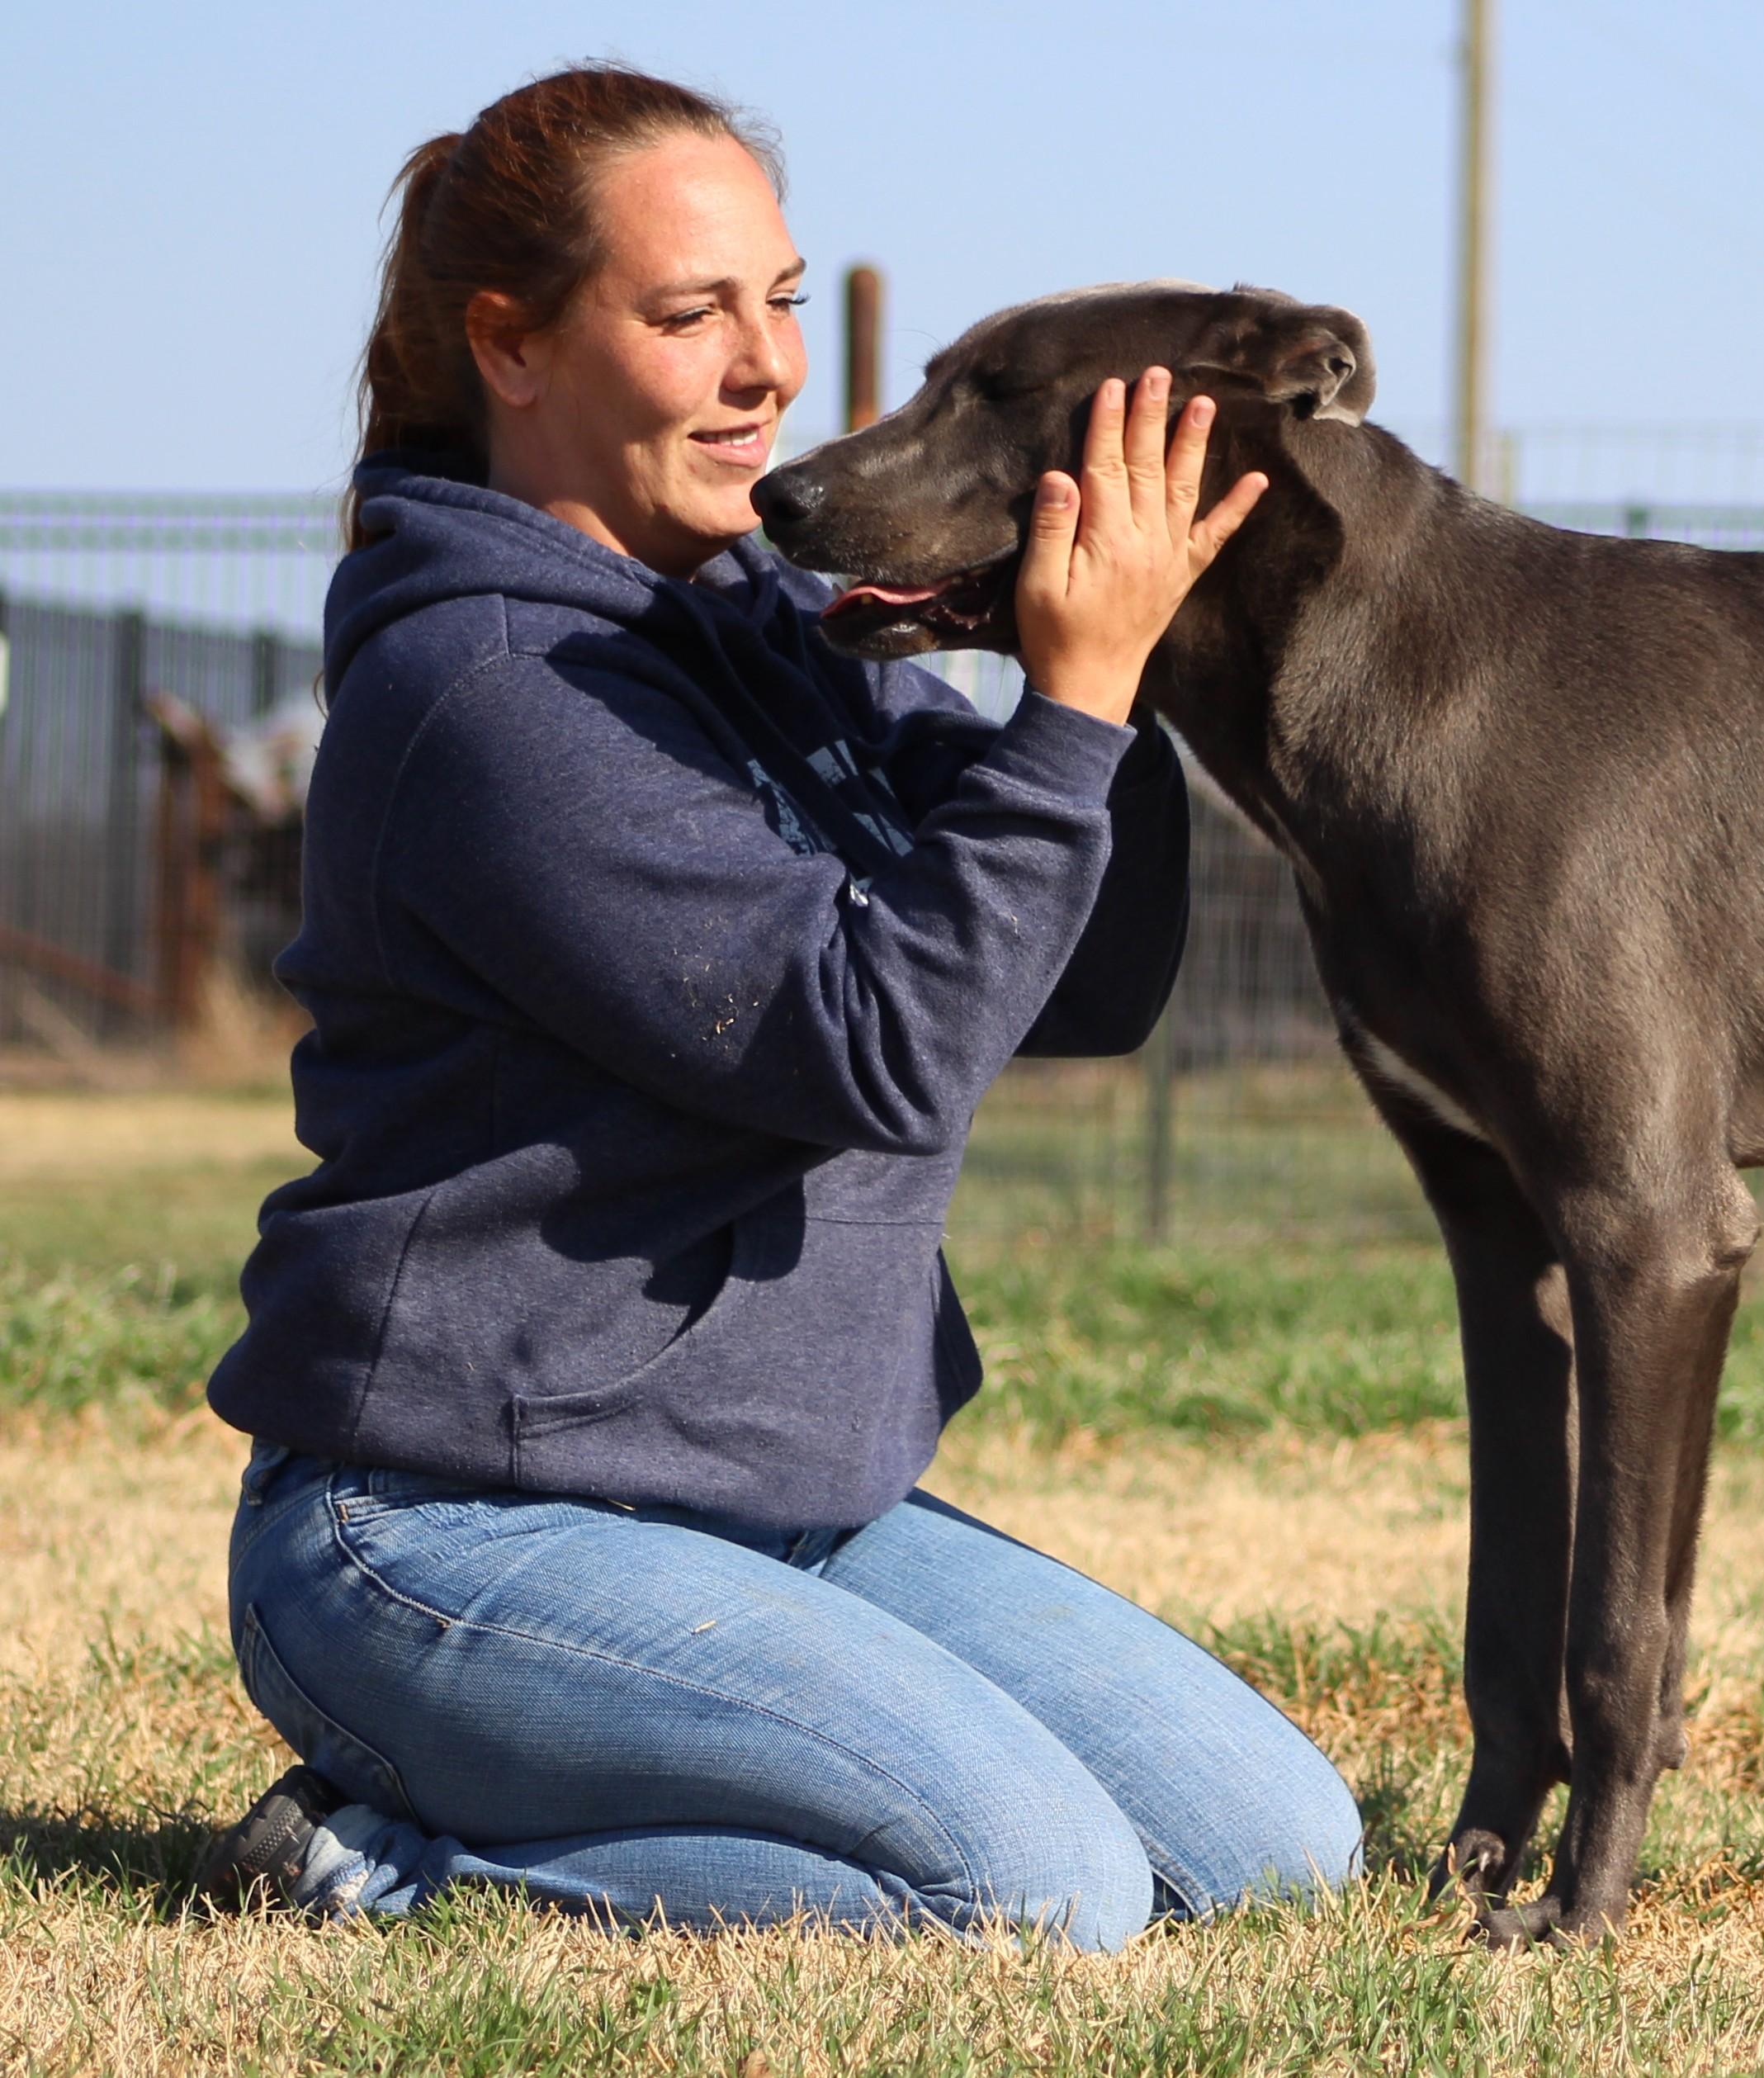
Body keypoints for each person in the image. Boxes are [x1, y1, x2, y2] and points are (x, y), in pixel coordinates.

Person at [189, 64, 1359, 1949]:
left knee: (1276, 1846)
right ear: (510, 344)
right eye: (687, 315)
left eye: (782, 300)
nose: (765, 369)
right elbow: (878, 1044)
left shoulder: (770, 626)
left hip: (783, 1512)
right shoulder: (491, 699)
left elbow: (1073, 988)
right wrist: (1067, 707)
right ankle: (377, 1854)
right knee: (1031, 1891)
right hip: (444, 1533)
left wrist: (1111, 692)